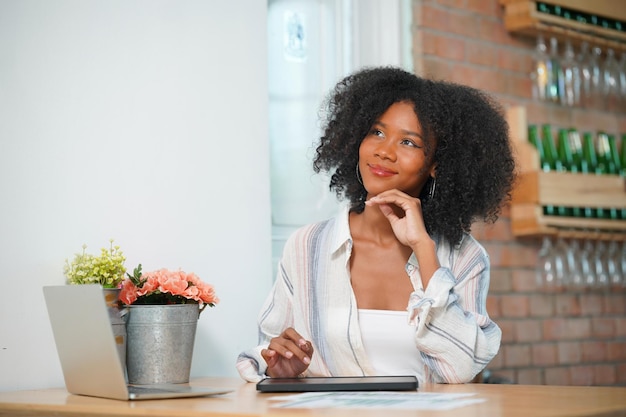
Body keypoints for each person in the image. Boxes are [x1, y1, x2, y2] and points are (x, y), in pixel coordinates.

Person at [237, 66, 516, 384]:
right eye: (377, 132)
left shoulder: (465, 257)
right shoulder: (307, 246)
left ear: (437, 165)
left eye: (409, 143)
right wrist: (278, 366)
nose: (384, 151)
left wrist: (424, 249)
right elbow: (267, 351)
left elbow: (461, 370)